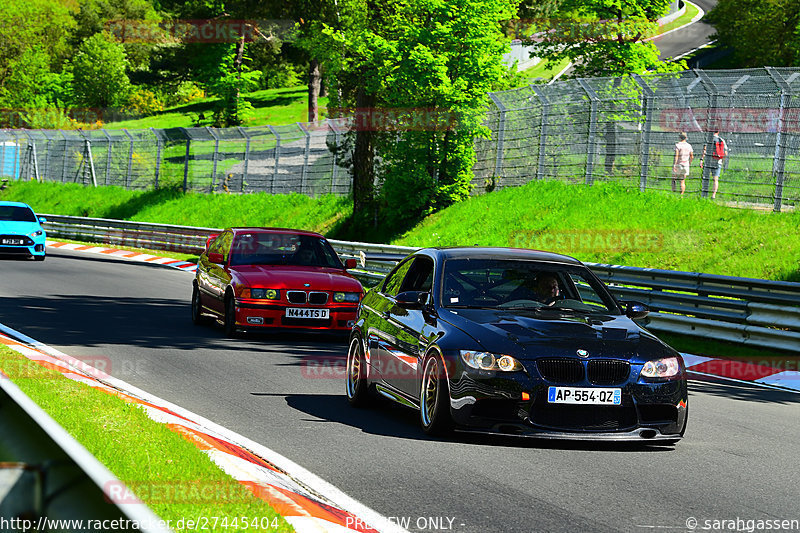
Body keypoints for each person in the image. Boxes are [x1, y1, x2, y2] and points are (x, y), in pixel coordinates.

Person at [701, 130, 728, 199]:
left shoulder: (709, 139)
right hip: (718, 161)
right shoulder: (721, 140)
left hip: (708, 161)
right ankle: (713, 195)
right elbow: (725, 153)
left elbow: (704, 150)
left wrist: (701, 160)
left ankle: (704, 193)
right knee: (715, 179)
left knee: (705, 178)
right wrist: (722, 160)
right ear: (718, 132)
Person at [672, 132, 693, 196]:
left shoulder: (678, 145)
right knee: (682, 180)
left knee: (673, 178)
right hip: (686, 164)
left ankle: (673, 192)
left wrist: (674, 165)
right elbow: (691, 156)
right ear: (686, 138)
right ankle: (681, 195)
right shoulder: (689, 146)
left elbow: (676, 156)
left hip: (679, 164)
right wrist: (689, 163)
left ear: (679, 137)